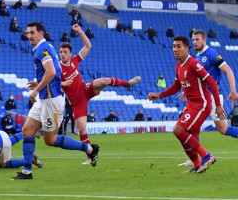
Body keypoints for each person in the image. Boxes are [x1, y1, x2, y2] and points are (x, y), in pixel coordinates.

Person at [18, 22, 100, 180]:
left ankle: (90, 149)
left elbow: (51, 72)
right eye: (27, 33)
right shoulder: (44, 48)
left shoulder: (43, 49)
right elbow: (54, 73)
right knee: (27, 131)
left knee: (50, 140)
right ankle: (27, 172)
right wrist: (39, 83)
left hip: (51, 101)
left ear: (41, 34)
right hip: (44, 98)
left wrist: (35, 89)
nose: (29, 36)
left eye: (32, 33)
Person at [59, 23, 140, 164]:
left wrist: (79, 30)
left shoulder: (74, 60)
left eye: (65, 52)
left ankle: (128, 84)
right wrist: (62, 84)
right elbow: (51, 82)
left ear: (70, 53)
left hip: (86, 89)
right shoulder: (57, 68)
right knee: (82, 129)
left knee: (103, 80)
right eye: (61, 52)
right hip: (77, 102)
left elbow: (88, 46)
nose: (63, 54)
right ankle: (90, 156)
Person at [148, 35, 223, 174]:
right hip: (191, 105)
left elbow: (212, 82)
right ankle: (197, 165)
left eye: (179, 46)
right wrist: (159, 95)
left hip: (201, 105)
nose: (175, 49)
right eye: (174, 46)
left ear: (187, 49)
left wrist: (218, 105)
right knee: (187, 138)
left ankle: (207, 156)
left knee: (178, 130)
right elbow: (176, 87)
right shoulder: (178, 65)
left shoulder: (193, 63)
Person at [176, 29, 238, 165]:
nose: (195, 42)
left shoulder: (211, 54)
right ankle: (196, 160)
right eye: (193, 40)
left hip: (212, 98)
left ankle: (198, 159)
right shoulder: (196, 57)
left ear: (204, 40)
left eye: (197, 39)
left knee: (223, 129)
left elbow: (228, 70)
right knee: (191, 129)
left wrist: (233, 90)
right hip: (200, 98)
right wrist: (187, 90)